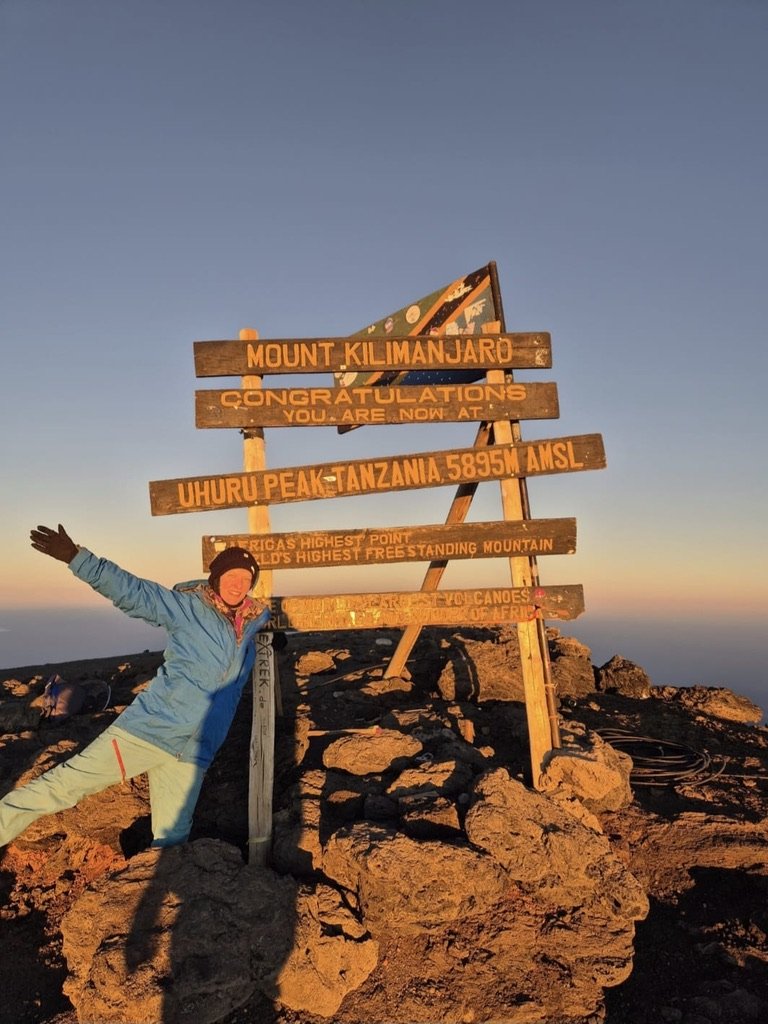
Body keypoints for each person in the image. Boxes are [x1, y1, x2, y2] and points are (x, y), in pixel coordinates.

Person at [0, 524, 271, 850]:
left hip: (194, 751)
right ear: (216, 578)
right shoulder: (186, 609)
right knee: (65, 785)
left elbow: (231, 671)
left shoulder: (249, 627)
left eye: (245, 579)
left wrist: (269, 643)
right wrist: (77, 558)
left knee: (173, 839)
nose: (238, 585)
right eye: (232, 577)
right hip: (148, 731)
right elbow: (134, 592)